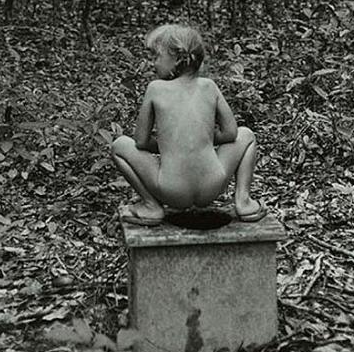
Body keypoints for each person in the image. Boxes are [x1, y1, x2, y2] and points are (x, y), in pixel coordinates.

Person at [111, 23, 265, 225]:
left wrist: (170, 143)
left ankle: (151, 206)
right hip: (213, 185)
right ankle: (244, 201)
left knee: (119, 145)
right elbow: (231, 133)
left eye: (156, 57)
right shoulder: (209, 86)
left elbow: (140, 141)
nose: (152, 63)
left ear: (178, 59)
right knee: (247, 135)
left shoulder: (155, 88)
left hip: (171, 189)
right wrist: (203, 138)